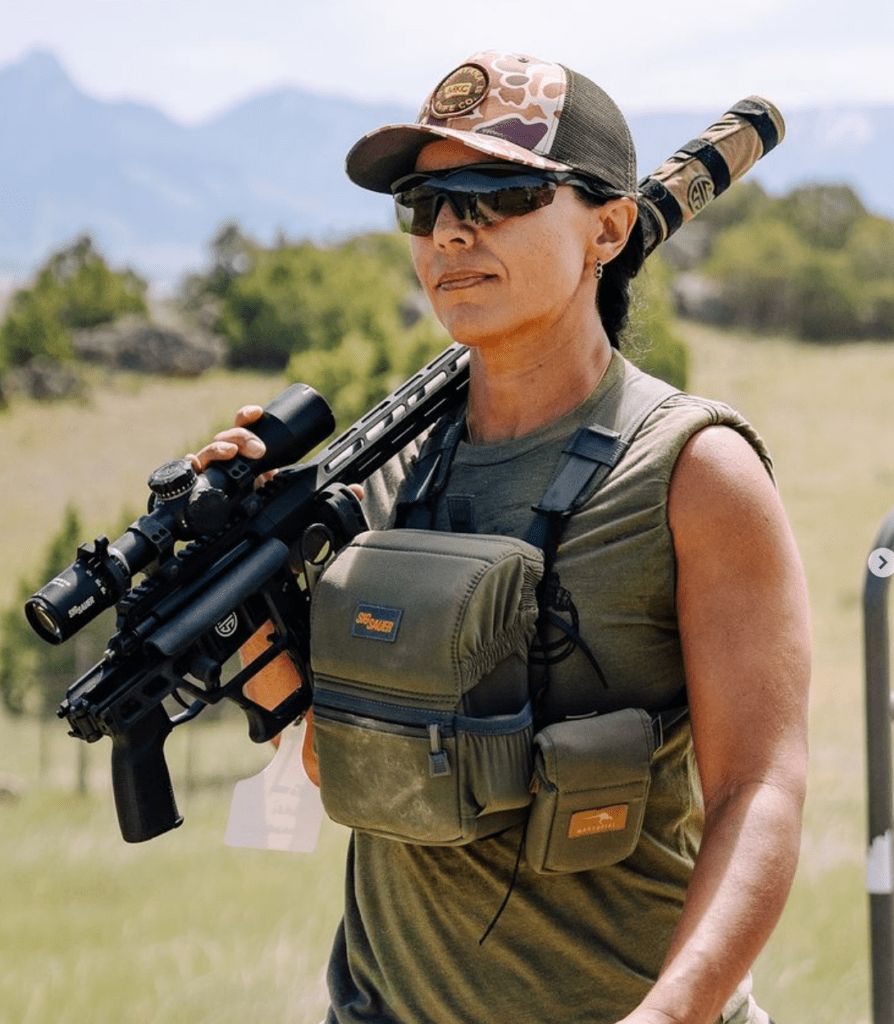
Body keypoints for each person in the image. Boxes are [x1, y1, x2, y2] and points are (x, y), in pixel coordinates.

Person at [193, 49, 810, 1024]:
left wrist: (670, 1016)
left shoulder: (693, 470)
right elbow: (342, 759)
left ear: (608, 227)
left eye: (499, 193)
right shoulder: (390, 474)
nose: (450, 231)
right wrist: (244, 614)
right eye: (424, 203)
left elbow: (759, 787)